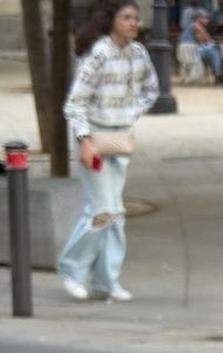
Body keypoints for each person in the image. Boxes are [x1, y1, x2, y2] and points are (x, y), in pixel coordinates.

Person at [59, 0, 158, 303]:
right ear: (111, 20)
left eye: (135, 18)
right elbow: (74, 104)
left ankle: (106, 281)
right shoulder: (98, 54)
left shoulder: (139, 54)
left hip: (120, 140)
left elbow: (151, 90)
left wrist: (130, 113)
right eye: (126, 17)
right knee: (101, 211)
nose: (133, 23)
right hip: (94, 140)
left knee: (116, 213)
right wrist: (85, 140)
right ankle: (72, 271)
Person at [180, 10, 223, 81]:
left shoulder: (192, 25)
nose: (207, 20)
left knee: (215, 51)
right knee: (215, 50)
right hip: (189, 49)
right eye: (205, 18)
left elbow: (202, 41)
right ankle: (219, 74)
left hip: (189, 49)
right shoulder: (196, 25)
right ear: (199, 18)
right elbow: (208, 39)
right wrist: (216, 41)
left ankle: (219, 73)